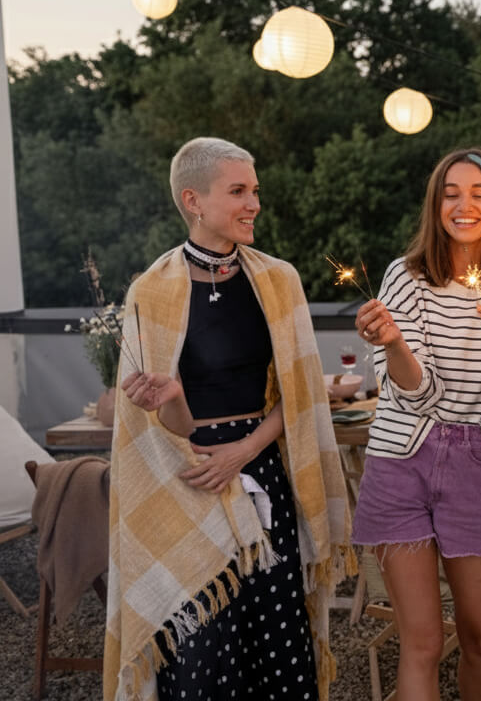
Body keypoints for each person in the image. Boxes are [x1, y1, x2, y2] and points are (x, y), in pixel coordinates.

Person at [105, 136, 355, 701]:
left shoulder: (278, 280)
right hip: (189, 479)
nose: (254, 204)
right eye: (238, 191)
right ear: (193, 200)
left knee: (277, 637)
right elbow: (166, 429)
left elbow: (299, 396)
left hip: (264, 470)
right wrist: (171, 396)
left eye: (255, 191)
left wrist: (246, 450)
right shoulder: (150, 292)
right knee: (201, 649)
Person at [350, 147, 481, 701]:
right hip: (400, 463)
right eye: (451, 194)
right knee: (423, 642)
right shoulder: (406, 278)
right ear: (435, 206)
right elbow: (416, 394)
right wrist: (392, 343)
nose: (464, 206)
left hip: (474, 464)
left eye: (478, 194)